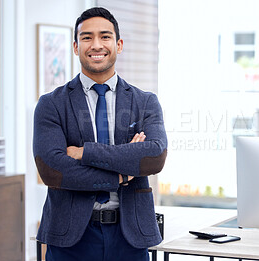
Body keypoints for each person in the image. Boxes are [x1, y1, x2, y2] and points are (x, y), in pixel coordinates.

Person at [33, 7, 167, 261]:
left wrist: (85, 152)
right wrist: (123, 171)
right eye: (87, 37)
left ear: (118, 44)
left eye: (105, 37)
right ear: (75, 46)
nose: (96, 45)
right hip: (71, 238)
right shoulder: (51, 104)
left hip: (130, 236)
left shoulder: (145, 102)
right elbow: (54, 170)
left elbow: (154, 157)